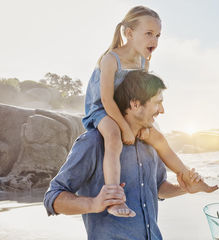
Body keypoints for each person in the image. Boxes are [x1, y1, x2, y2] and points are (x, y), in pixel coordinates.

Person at [44, 70, 217, 240]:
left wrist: (185, 189)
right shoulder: (93, 143)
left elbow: (158, 187)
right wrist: (94, 203)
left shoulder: (150, 146)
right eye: (157, 102)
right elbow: (53, 198)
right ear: (135, 104)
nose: (162, 110)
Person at [82, 6, 208, 217]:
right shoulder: (110, 59)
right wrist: (125, 128)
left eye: (158, 35)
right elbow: (106, 99)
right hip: (101, 110)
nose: (154, 41)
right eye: (149, 34)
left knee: (157, 136)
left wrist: (144, 125)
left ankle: (187, 177)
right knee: (113, 137)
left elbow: (143, 95)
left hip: (126, 111)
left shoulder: (143, 61)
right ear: (129, 33)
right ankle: (114, 198)